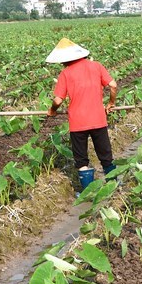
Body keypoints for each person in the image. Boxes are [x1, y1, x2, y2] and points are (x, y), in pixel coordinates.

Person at [46, 38, 118, 191]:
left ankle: (87, 193)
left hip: (78, 123)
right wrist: (111, 103)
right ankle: (113, 188)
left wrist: (52, 111)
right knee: (106, 156)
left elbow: (58, 100)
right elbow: (113, 85)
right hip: (98, 119)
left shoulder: (65, 73)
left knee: (81, 160)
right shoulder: (96, 66)